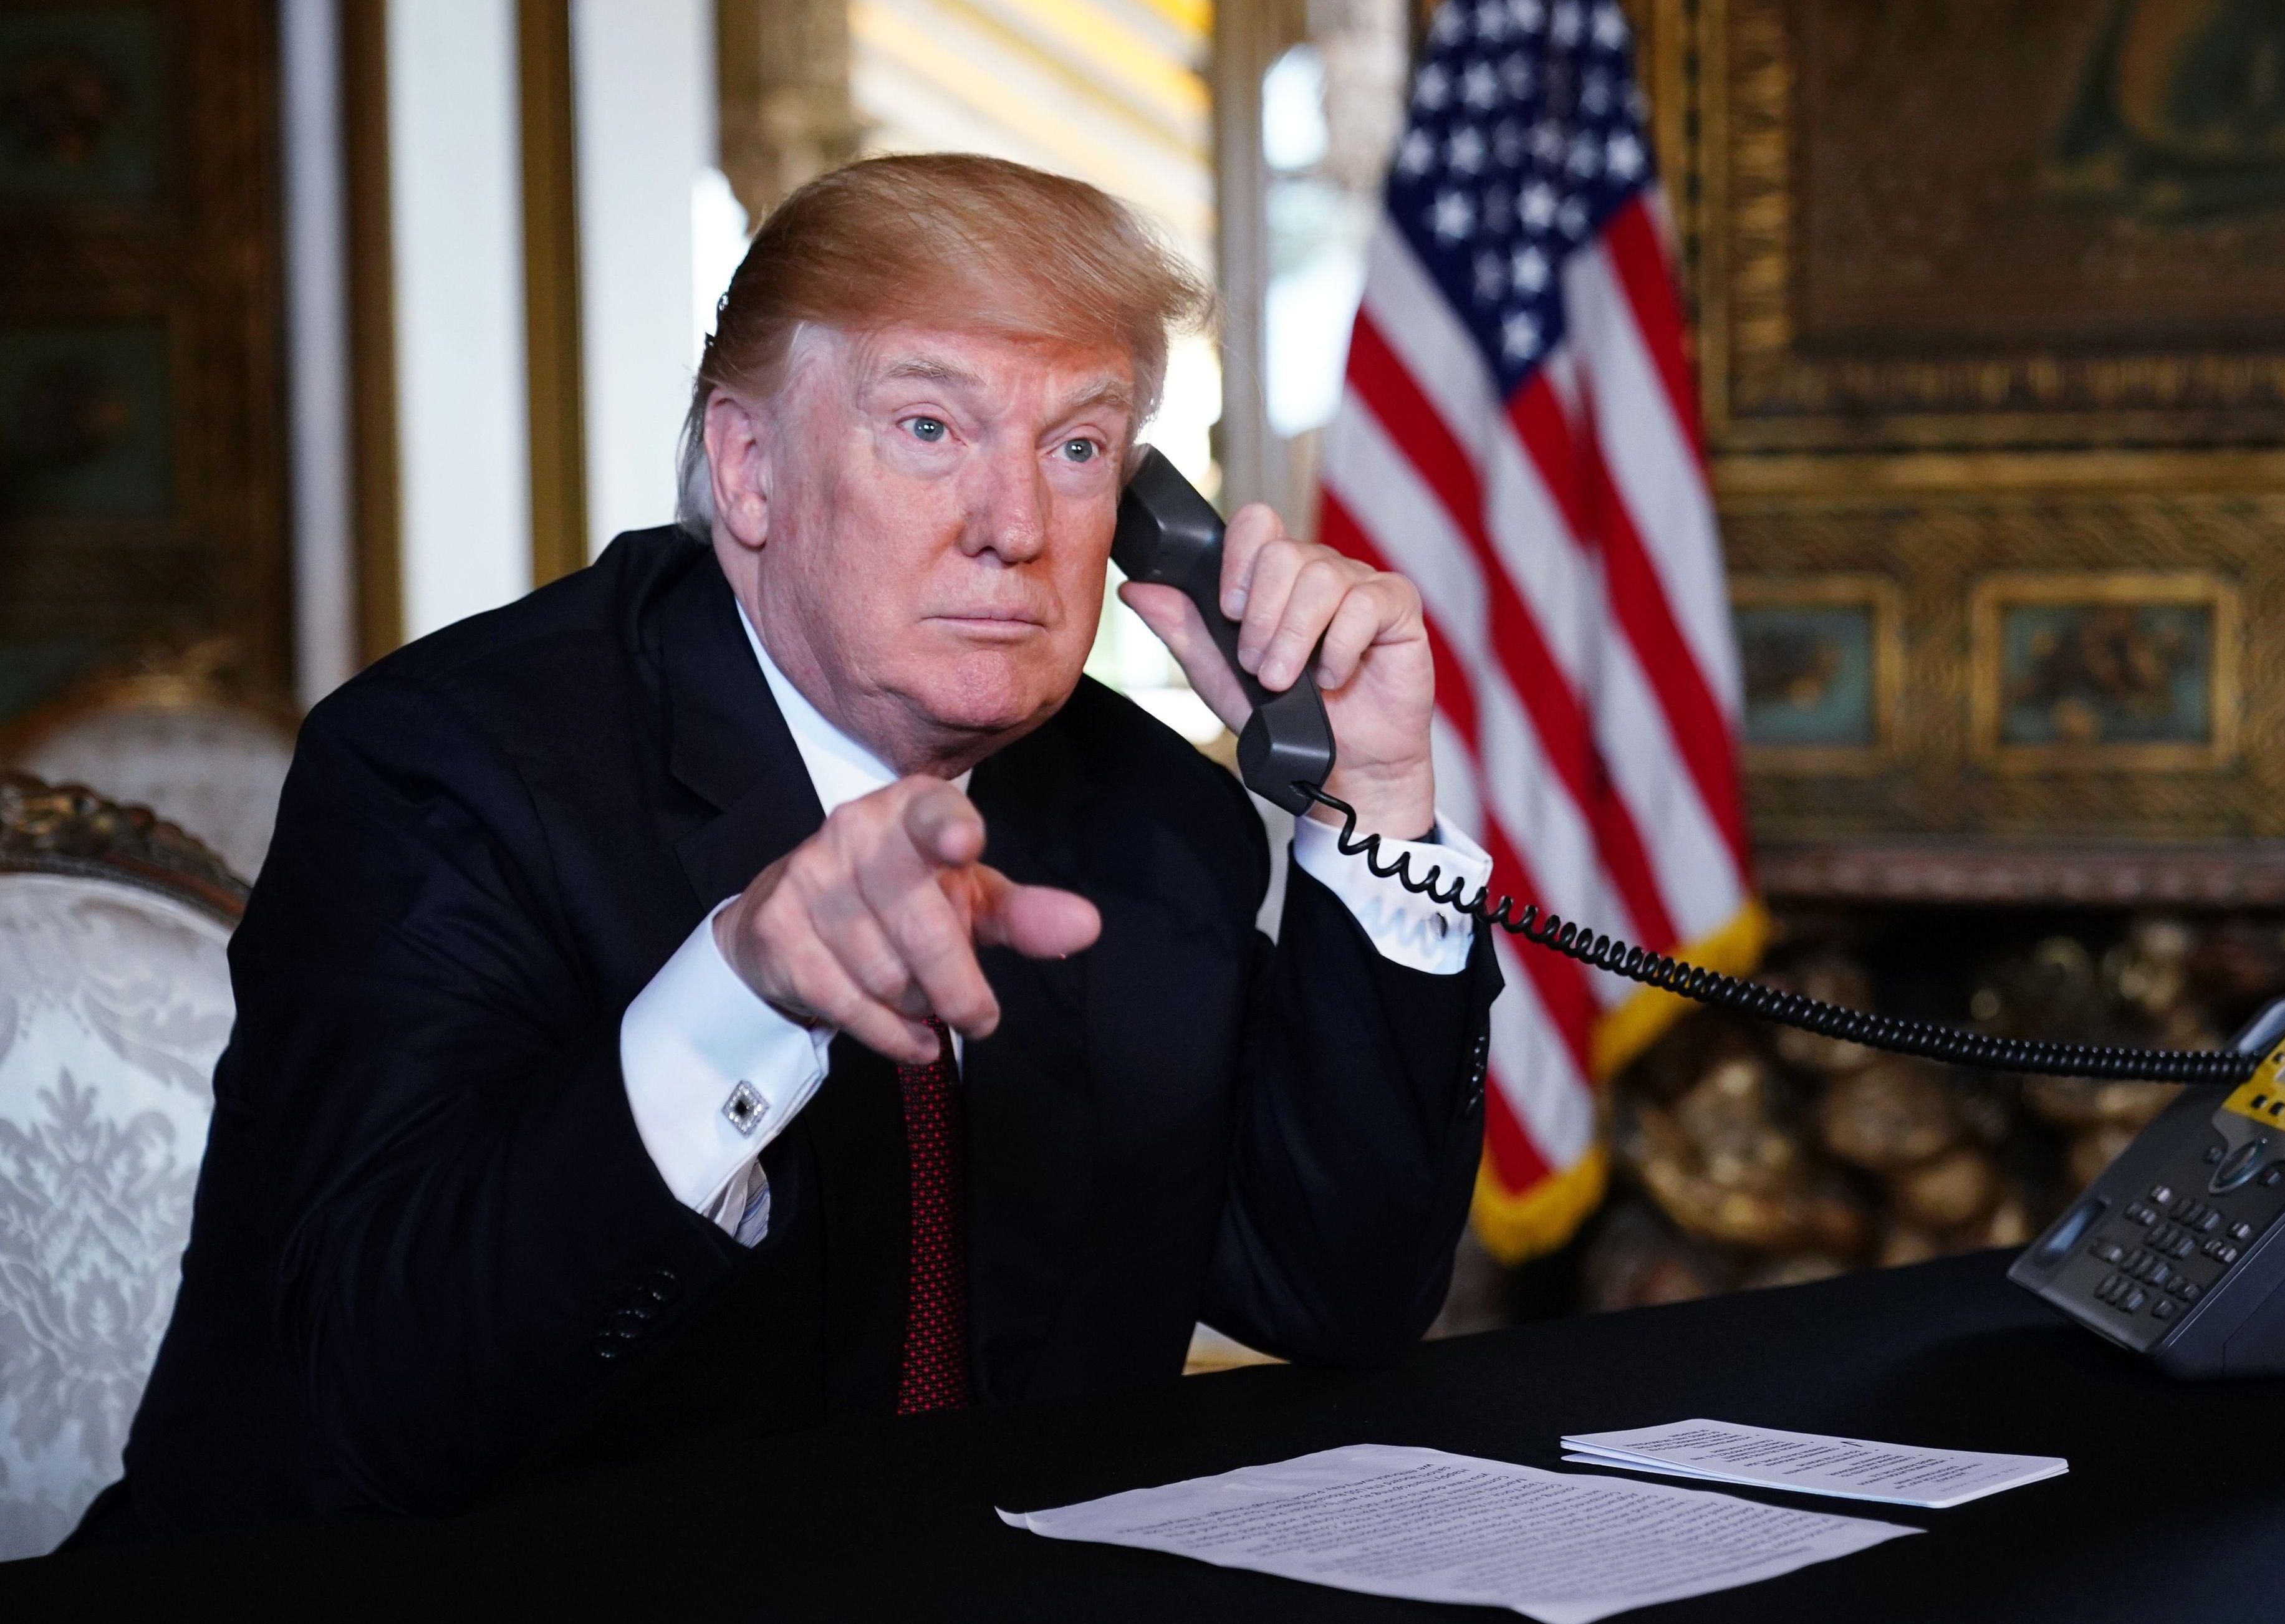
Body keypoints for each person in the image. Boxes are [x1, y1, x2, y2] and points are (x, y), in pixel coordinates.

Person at [77, 154, 1498, 1544]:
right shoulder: (444, 774)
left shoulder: (1151, 815)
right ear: (748, 469)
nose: (1015, 528)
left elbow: (1338, 1294)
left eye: (1077, 448)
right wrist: (737, 998)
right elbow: (378, 1406)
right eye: (930, 428)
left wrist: (1373, 800)